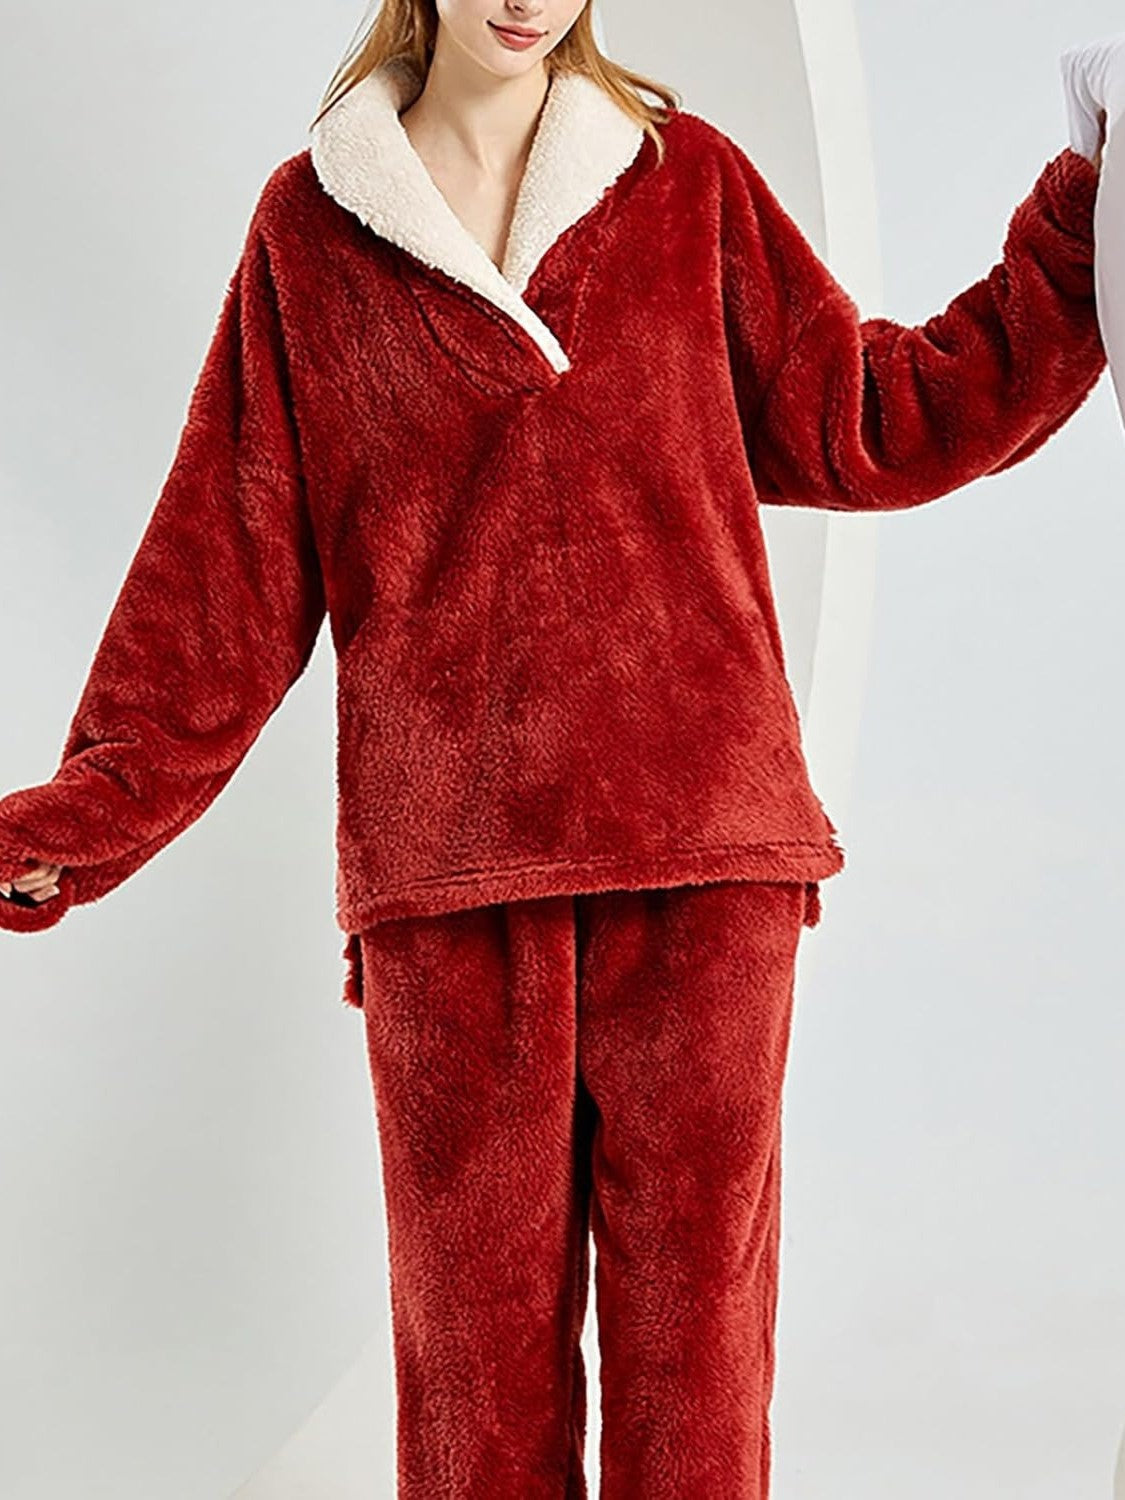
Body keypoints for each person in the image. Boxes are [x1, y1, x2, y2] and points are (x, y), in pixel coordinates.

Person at [0, 3, 1109, 1495]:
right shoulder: (311, 229)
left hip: (702, 854)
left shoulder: (685, 181)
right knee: (473, 1388)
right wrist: (84, 815)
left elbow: (873, 418)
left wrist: (1080, 213)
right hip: (449, 881)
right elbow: (227, 565)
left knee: (696, 1372)